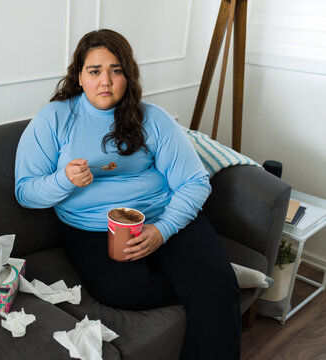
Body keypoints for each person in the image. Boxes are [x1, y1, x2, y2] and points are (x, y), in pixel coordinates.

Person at [14, 29, 241, 359]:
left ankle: (217, 278)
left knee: (216, 289)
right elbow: (25, 191)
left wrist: (161, 231)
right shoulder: (54, 119)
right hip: (92, 229)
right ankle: (218, 275)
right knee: (128, 291)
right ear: (79, 77)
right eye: (94, 71)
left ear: (127, 74)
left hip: (165, 215)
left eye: (115, 70)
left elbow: (194, 181)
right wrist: (63, 180)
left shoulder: (154, 119)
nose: (105, 81)